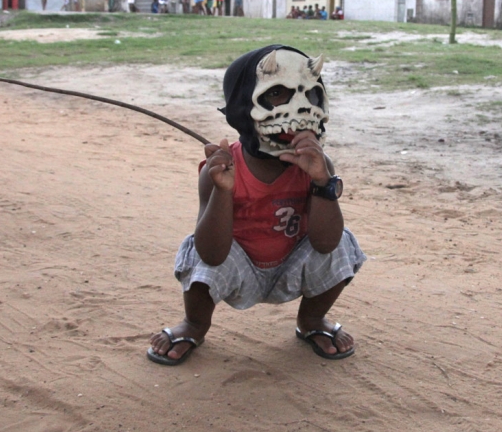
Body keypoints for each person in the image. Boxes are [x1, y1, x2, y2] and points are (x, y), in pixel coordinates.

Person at [147, 45, 366, 366]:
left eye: (311, 95)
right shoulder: (220, 169)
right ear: (243, 106)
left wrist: (322, 182)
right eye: (277, 93)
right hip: (238, 268)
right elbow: (211, 254)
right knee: (196, 247)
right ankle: (194, 324)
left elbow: (326, 243)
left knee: (342, 243)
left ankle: (312, 321)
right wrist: (224, 190)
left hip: (292, 265)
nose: (301, 109)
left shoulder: (318, 165)